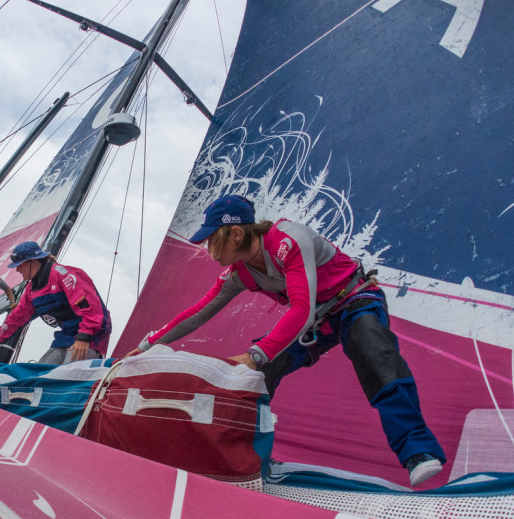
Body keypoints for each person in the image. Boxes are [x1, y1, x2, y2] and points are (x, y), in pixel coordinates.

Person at [130, 194, 447, 486]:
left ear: (236, 234)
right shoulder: (240, 273)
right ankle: (236, 456)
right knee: (255, 375)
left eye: (213, 239)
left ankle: (418, 450)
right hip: (318, 321)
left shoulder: (287, 240)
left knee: (374, 352)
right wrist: (146, 346)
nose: (208, 248)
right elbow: (197, 313)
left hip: (354, 299)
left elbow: (302, 308)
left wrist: (255, 353)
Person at [0, 241, 111, 365]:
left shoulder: (63, 275)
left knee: (66, 375)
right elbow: (18, 317)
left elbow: (91, 308)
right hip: (67, 335)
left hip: (92, 333)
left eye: (20, 265)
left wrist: (84, 337)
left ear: (33, 261)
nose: (17, 269)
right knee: (40, 373)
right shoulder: (31, 290)